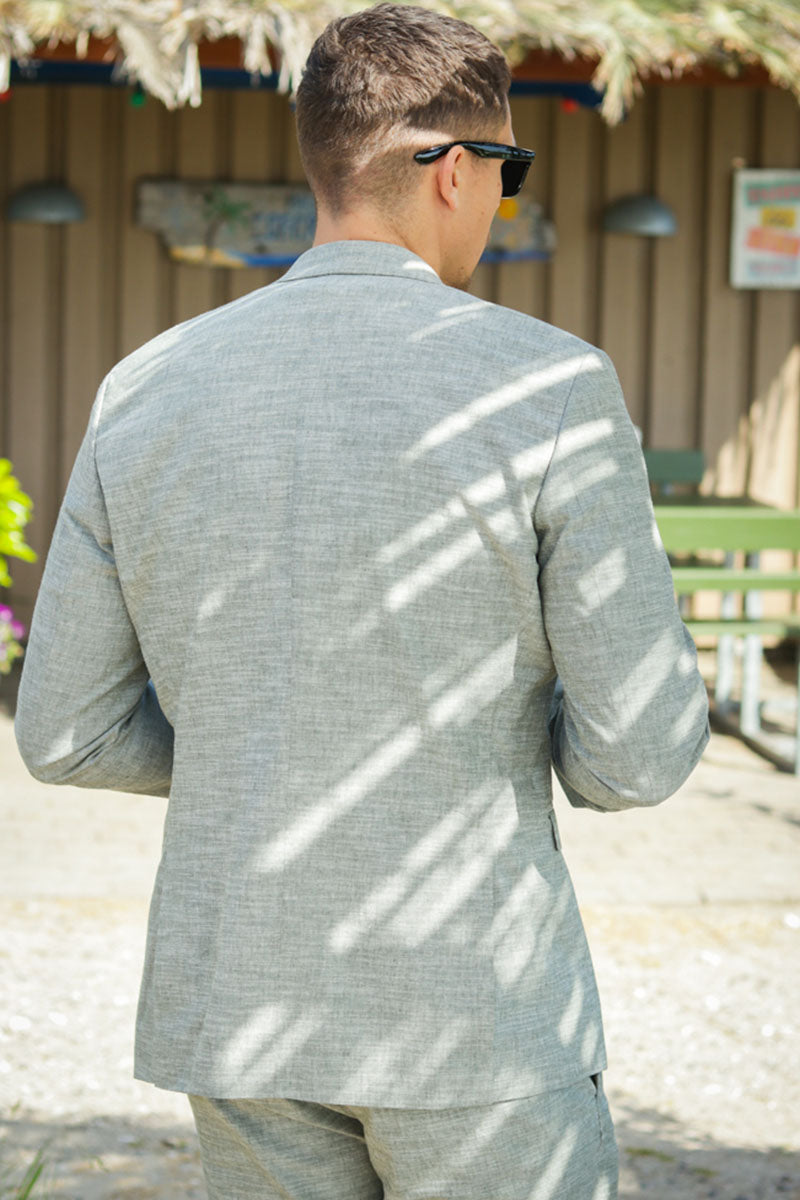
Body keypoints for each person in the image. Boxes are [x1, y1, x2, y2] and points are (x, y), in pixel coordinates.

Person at [15, 5, 709, 1197]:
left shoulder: (144, 387)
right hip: (474, 1010)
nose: (498, 199)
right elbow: (637, 752)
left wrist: (258, 746)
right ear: (451, 169)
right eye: (506, 170)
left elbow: (64, 731)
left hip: (237, 1007)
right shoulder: (548, 384)